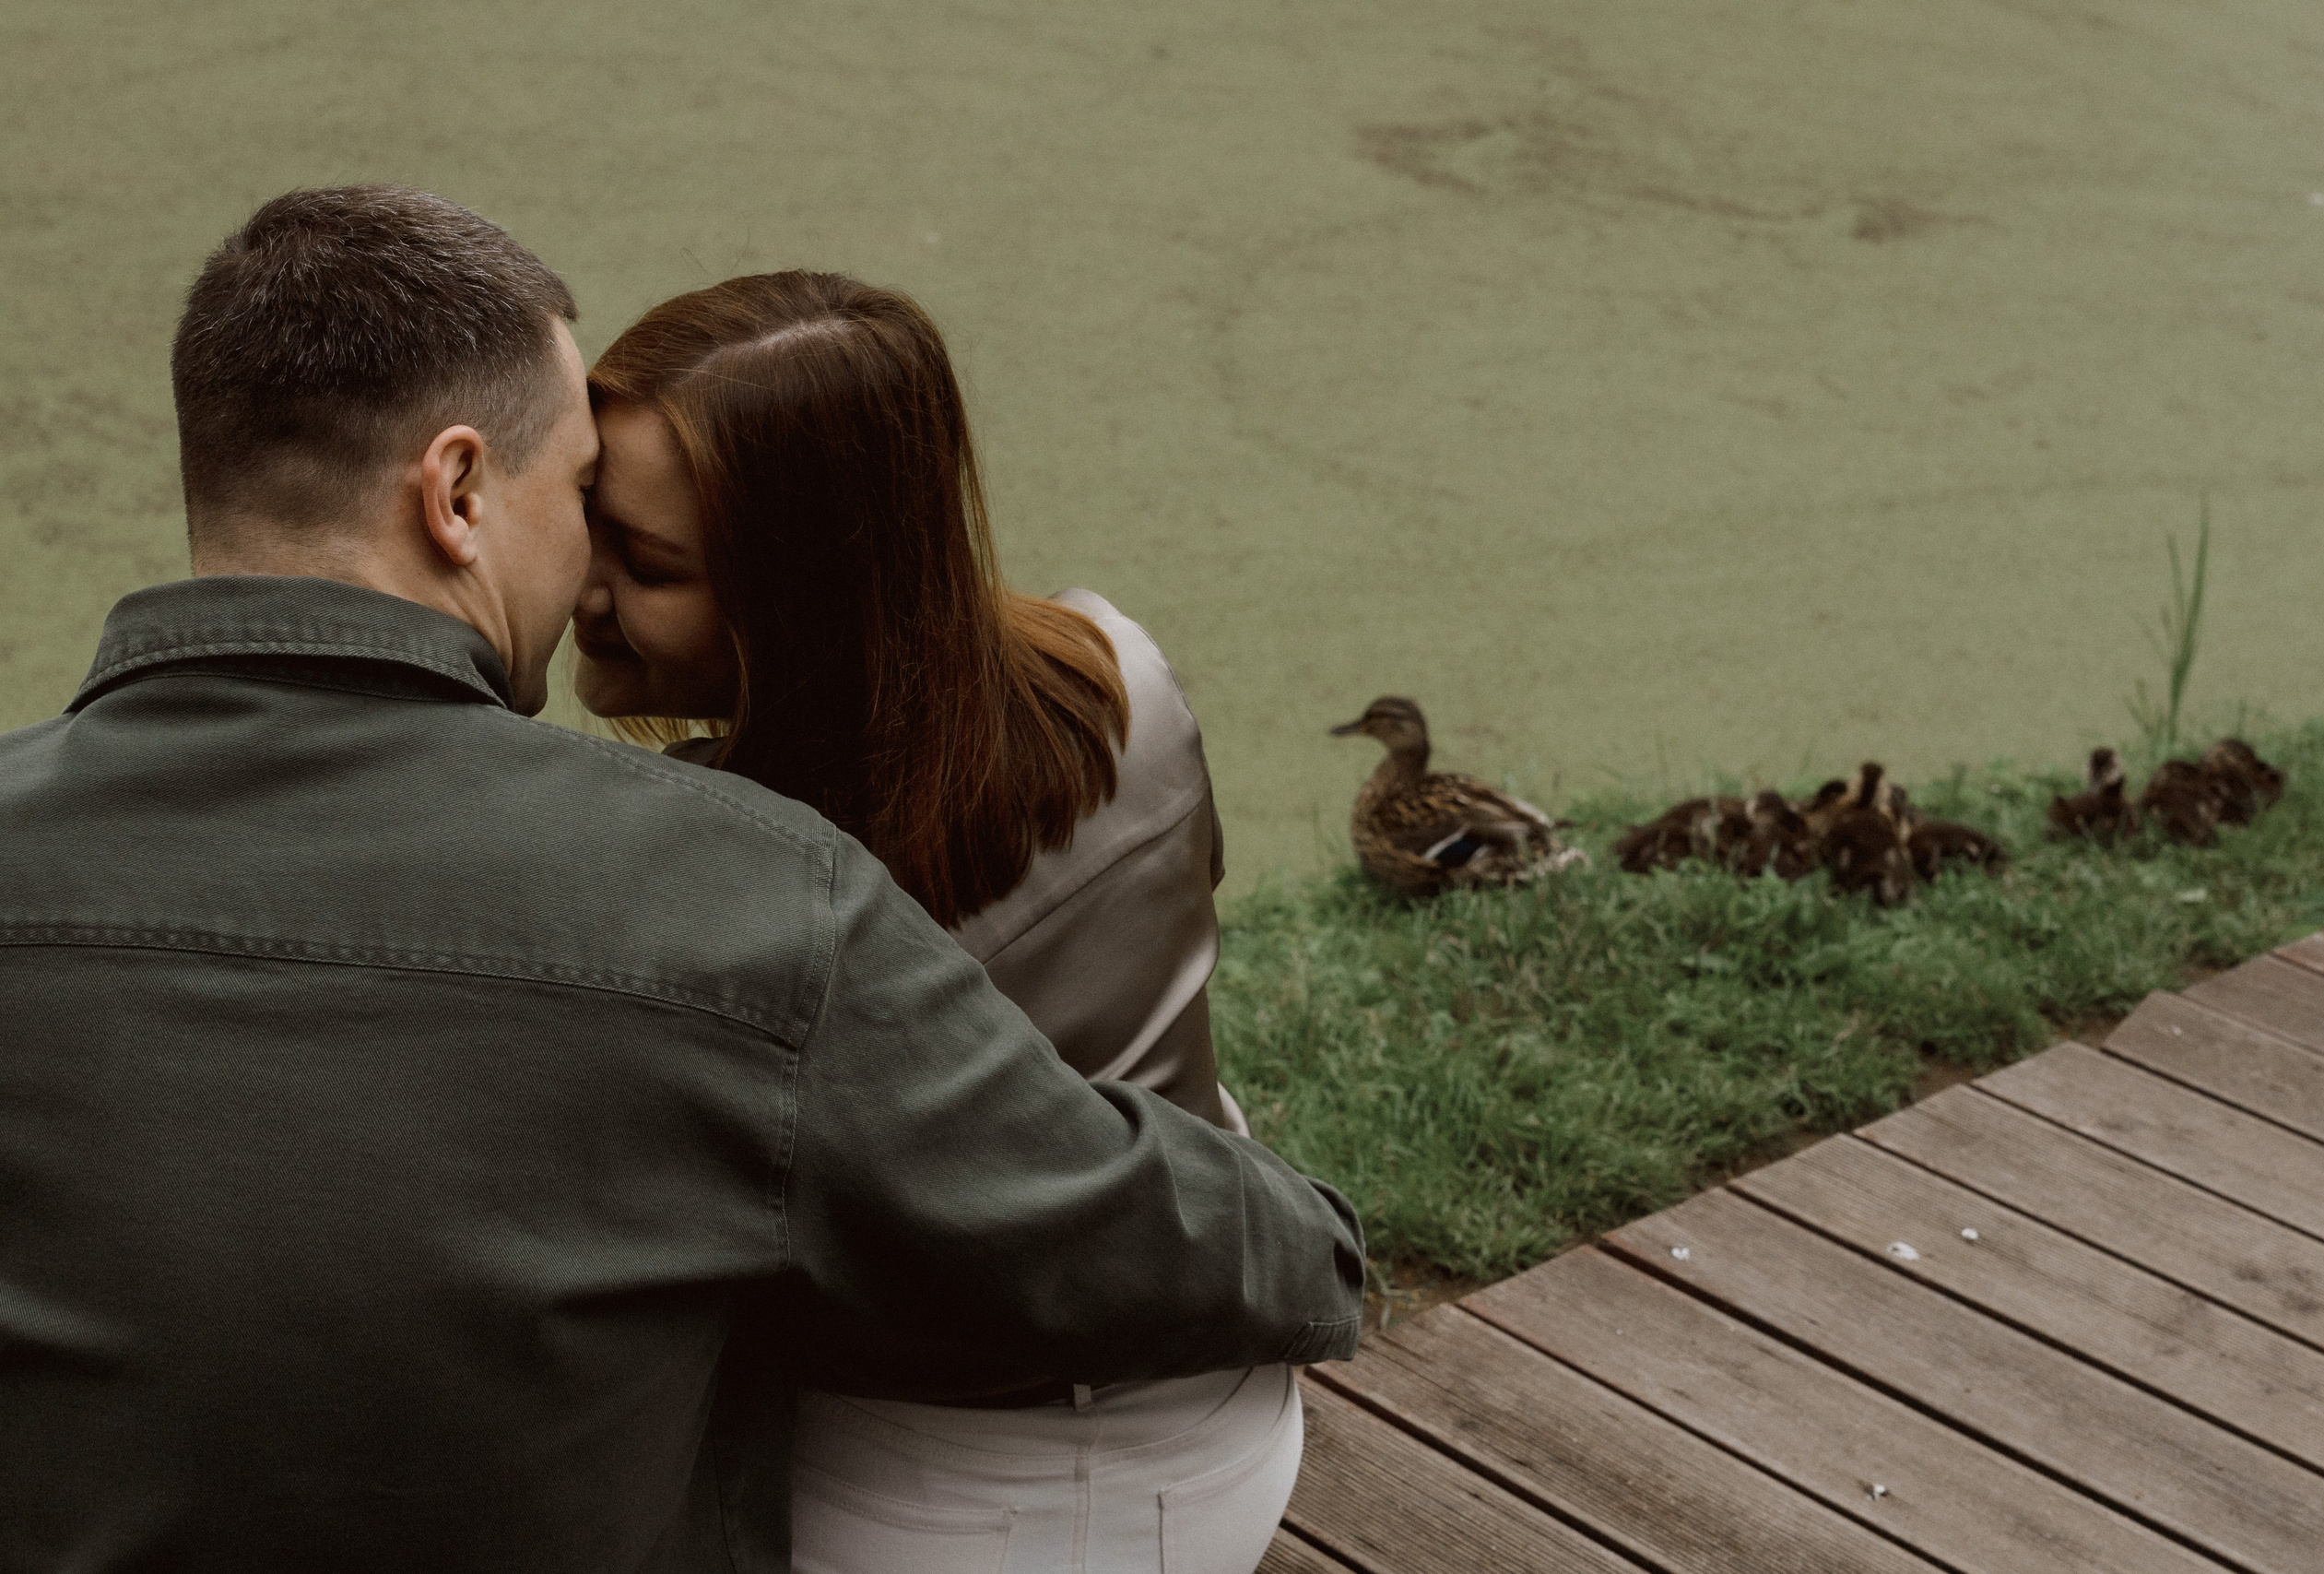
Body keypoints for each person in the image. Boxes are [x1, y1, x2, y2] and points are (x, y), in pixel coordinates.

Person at [0, 186, 1364, 1574]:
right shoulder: (730, 885)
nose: (587, 571)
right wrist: (1309, 1239)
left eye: (633, 541)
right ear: (457, 495)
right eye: (578, 492)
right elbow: (1106, 1216)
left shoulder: (732, 878)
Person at [568, 272, 1293, 1573]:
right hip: (1221, 1397)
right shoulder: (1121, 674)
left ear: (803, 597)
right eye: (583, 518)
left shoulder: (717, 868)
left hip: (955, 1497)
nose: (583, 588)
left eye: (651, 564)